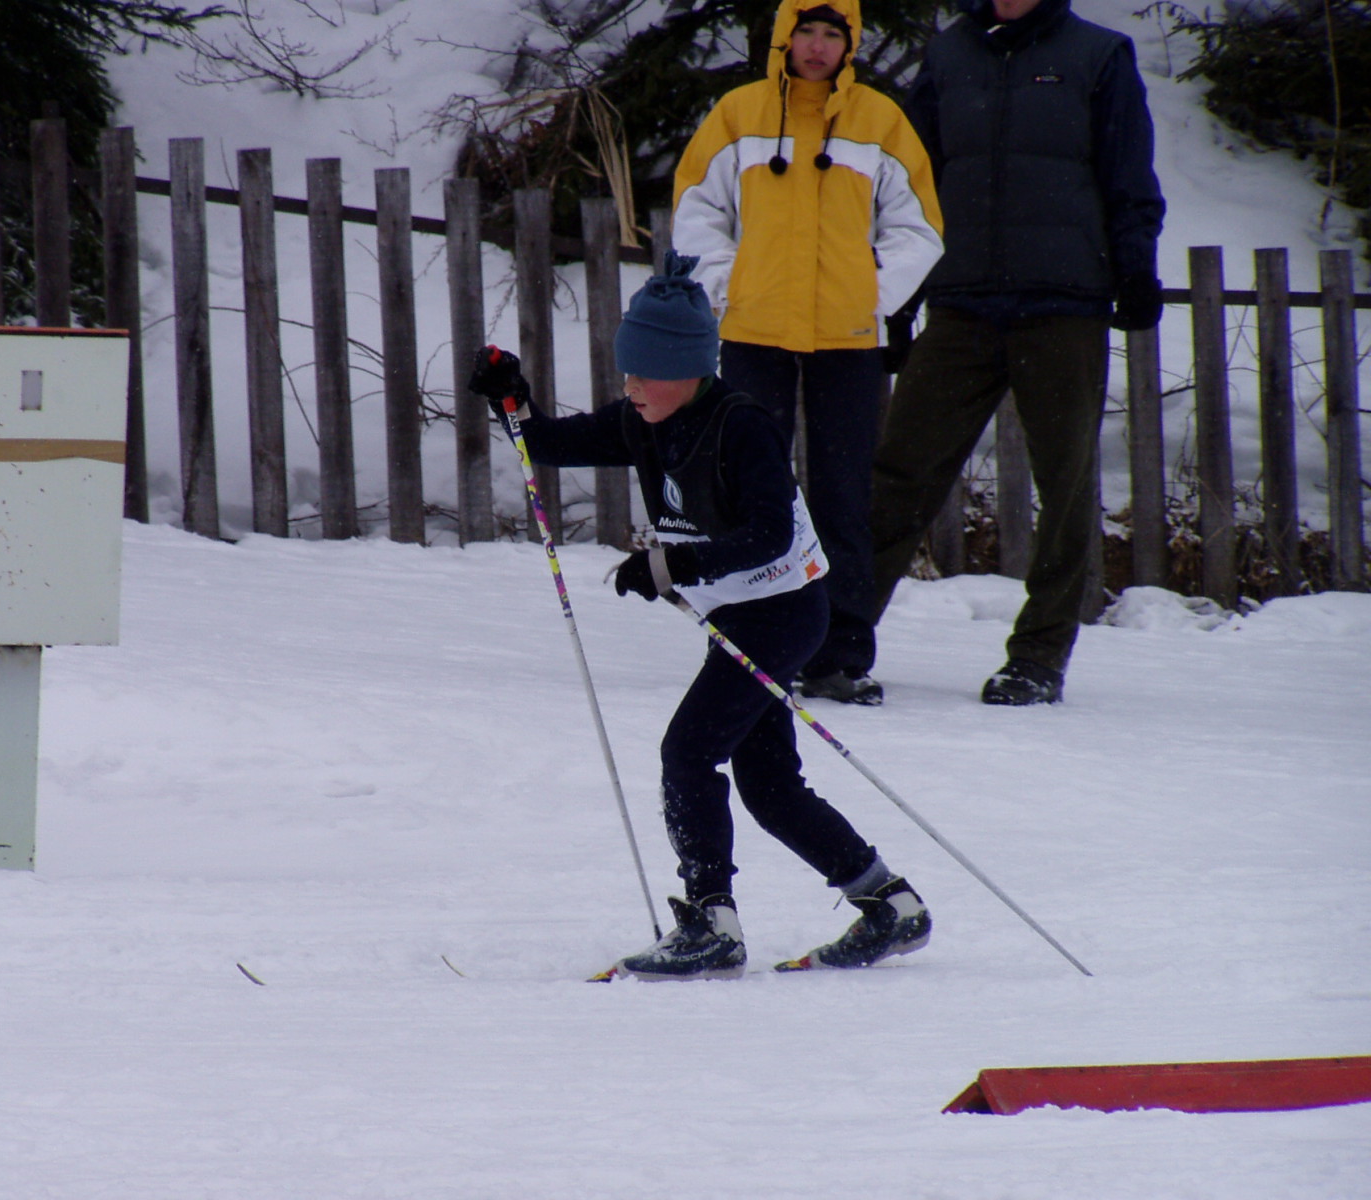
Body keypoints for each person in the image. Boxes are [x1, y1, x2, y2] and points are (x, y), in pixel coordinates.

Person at [468, 252, 930, 980]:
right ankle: (890, 905)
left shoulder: (741, 426)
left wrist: (674, 565)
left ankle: (712, 921)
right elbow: (548, 446)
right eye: (627, 373)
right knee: (770, 786)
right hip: (743, 619)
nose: (631, 387)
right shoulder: (645, 420)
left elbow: (769, 534)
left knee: (688, 752)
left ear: (691, 369)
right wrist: (513, 400)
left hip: (783, 613)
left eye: (645, 374)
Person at [868, 0, 1166, 705]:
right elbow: (912, 182)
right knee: (898, 472)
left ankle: (1038, 656)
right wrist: (901, 297)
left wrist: (1133, 268)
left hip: (1063, 302)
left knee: (1063, 484)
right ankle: (836, 635)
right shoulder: (948, 56)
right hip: (961, 299)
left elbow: (1129, 173)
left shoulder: (1098, 55)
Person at [671, 0, 944, 707]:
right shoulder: (738, 113)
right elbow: (698, 210)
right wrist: (730, 291)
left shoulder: (880, 121)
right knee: (753, 491)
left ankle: (839, 653)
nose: (818, 47)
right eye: (807, 31)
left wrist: (869, 297)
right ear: (783, 36)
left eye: (833, 34)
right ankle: (752, 641)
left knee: (843, 495)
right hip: (754, 331)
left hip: (847, 339)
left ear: (848, 43)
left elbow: (918, 226)